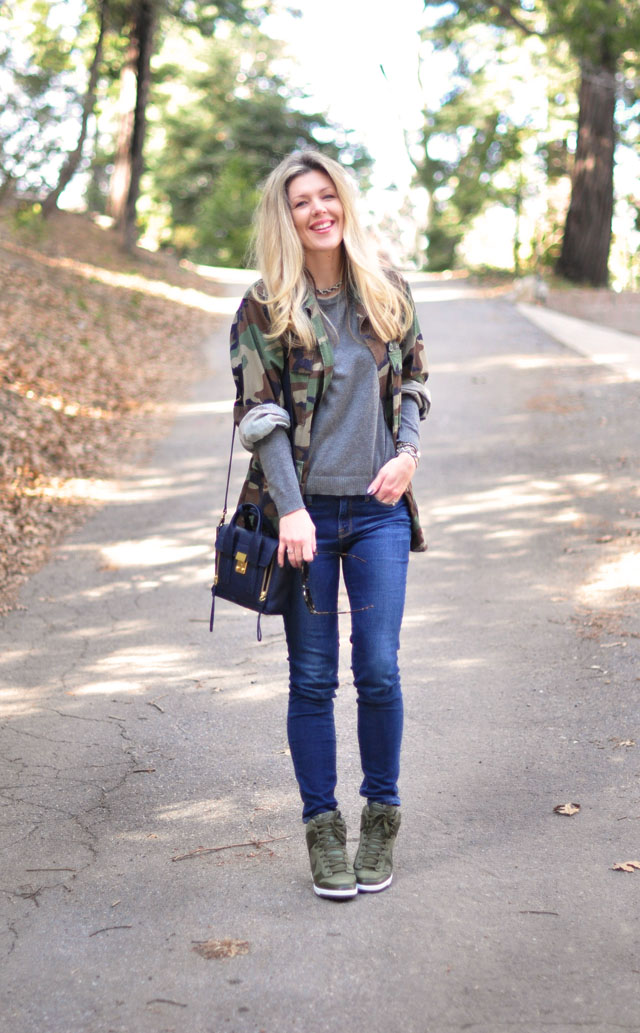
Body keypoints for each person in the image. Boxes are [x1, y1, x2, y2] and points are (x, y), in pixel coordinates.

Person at [229, 149, 430, 900]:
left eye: (326, 195)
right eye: (300, 202)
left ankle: (382, 813)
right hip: (305, 519)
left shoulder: (387, 291)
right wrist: (290, 508)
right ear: (285, 219)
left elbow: (414, 377)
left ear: (343, 199)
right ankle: (323, 827)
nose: (318, 210)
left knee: (377, 667)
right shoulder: (265, 307)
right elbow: (260, 417)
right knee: (312, 680)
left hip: (378, 513)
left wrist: (408, 454)